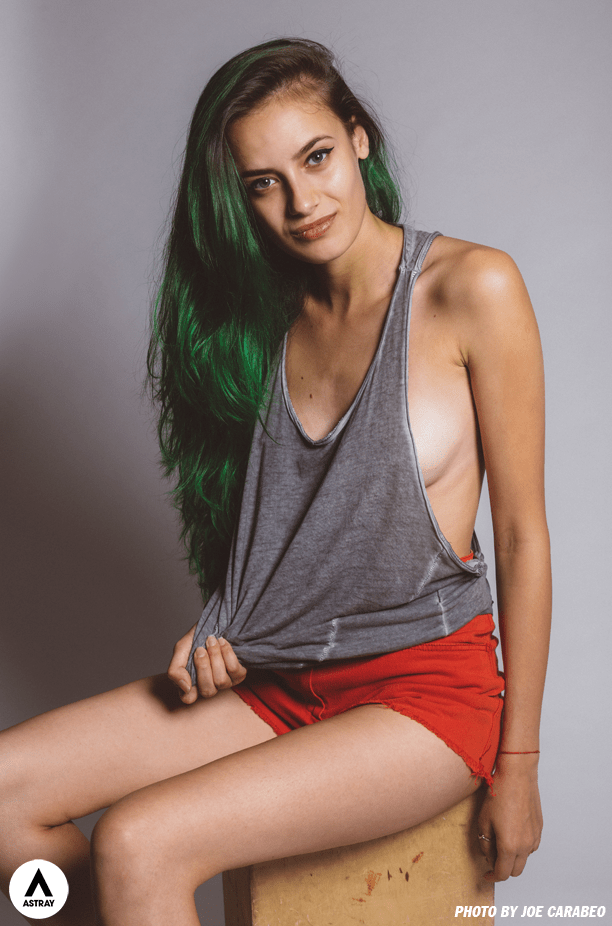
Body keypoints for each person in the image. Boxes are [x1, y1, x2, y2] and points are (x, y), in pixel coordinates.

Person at [0, 37, 550, 925]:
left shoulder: (469, 289)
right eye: (264, 182)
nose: (301, 202)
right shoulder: (253, 323)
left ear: (359, 138)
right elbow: (291, 527)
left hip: (421, 693)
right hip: (278, 679)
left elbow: (522, 538)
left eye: (316, 157)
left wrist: (518, 766)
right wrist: (228, 621)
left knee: (140, 840)